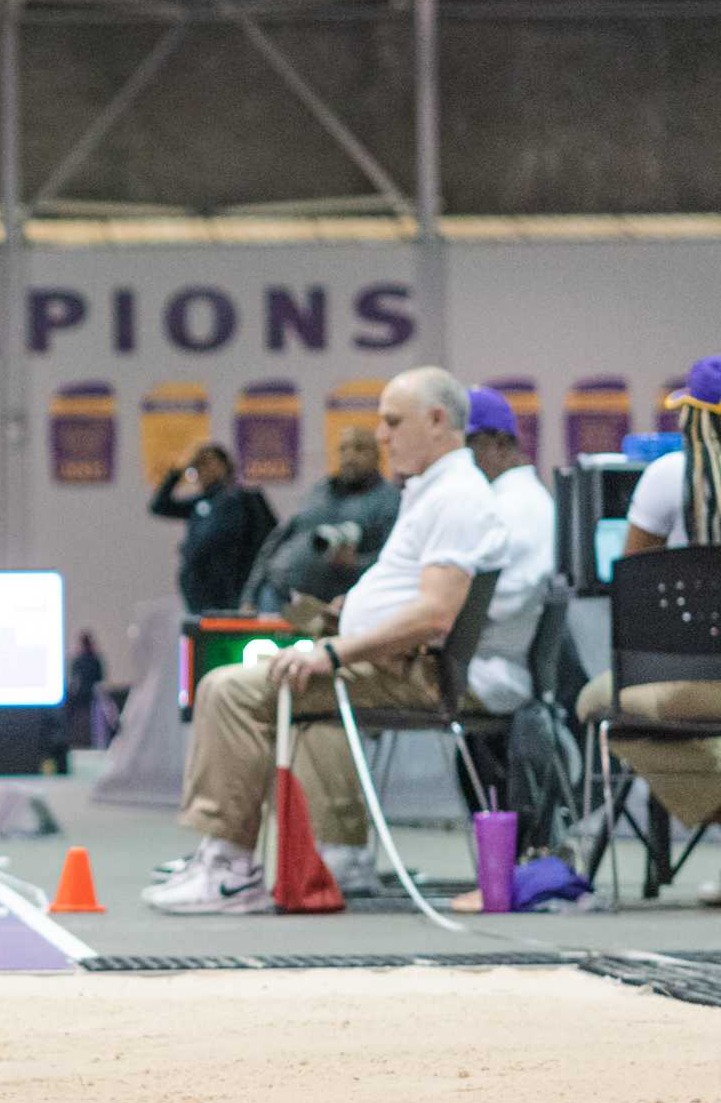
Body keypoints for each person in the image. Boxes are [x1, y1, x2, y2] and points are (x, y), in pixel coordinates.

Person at [148, 368, 510, 912]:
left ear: (437, 422)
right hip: (378, 661)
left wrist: (334, 651)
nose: (382, 436)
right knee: (273, 687)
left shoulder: (457, 497)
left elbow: (436, 615)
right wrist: (349, 613)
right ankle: (301, 855)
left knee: (227, 689)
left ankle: (229, 868)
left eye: (392, 422)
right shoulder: (431, 491)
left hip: (404, 673)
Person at [575, 355, 721, 878]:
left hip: (677, 680)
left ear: (693, 418)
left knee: (599, 703)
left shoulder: (665, 477)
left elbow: (633, 588)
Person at [463, 386, 556, 715]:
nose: (456, 462)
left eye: (465, 448)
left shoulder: (511, 511)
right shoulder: (509, 503)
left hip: (483, 673)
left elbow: (481, 615)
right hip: (481, 667)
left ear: (500, 444)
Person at [239, 426, 400, 612]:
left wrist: (355, 564)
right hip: (276, 593)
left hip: (328, 609)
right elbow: (277, 541)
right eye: (344, 449)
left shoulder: (389, 500)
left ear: (377, 455)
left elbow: (393, 562)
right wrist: (249, 597)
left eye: (360, 448)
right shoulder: (320, 490)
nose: (350, 456)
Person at [149, 441, 278, 613]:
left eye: (208, 463)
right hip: (200, 592)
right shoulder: (201, 503)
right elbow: (159, 506)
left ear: (224, 465)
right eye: (199, 465)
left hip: (232, 589)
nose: (204, 470)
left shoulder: (241, 499)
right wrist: (179, 470)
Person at [67, 630, 106, 749]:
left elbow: (74, 679)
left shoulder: (78, 660)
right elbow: (100, 678)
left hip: (82, 696)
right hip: (91, 695)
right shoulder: (95, 659)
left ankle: (77, 741)